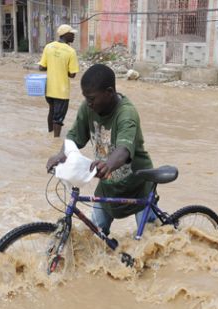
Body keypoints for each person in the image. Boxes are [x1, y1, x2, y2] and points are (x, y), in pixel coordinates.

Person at [46, 64, 156, 235]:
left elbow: (124, 149)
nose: (88, 103)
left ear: (109, 92)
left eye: (92, 99)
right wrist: (62, 154)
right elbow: (74, 137)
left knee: (152, 241)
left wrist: (108, 164)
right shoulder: (88, 108)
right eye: (86, 98)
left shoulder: (126, 114)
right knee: (93, 237)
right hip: (109, 187)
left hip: (138, 186)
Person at [38, 24, 79, 137]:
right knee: (58, 117)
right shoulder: (71, 51)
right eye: (72, 34)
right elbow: (72, 74)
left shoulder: (48, 47)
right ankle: (55, 140)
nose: (74, 36)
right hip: (62, 91)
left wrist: (53, 65)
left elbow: (41, 67)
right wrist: (62, 68)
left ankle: (49, 134)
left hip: (49, 89)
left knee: (52, 110)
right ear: (65, 35)